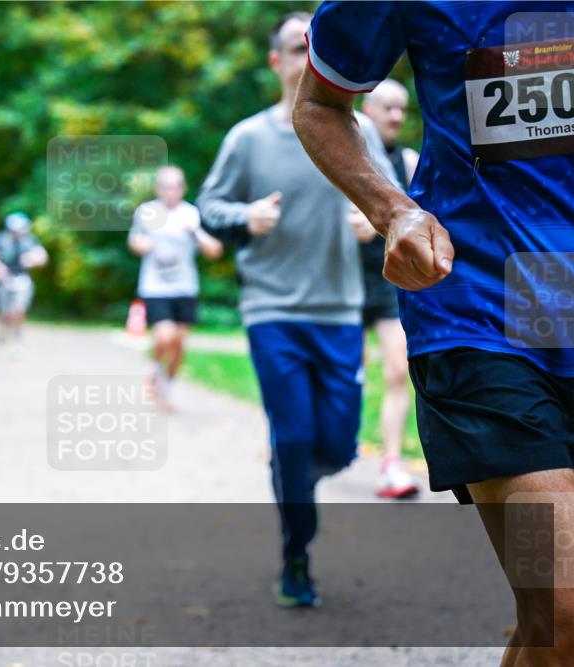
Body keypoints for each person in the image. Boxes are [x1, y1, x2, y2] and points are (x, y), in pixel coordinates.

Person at [294, 2, 573, 663]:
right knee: (561, 602)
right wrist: (394, 211)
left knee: (548, 627)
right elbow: (320, 105)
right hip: (481, 319)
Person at [197, 11, 396, 608]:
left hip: (339, 309)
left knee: (337, 445)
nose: (306, 54)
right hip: (272, 309)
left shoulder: (355, 133)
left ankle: (297, 484)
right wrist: (244, 217)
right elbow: (208, 207)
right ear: (276, 62)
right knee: (292, 435)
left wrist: (375, 220)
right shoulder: (248, 138)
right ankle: (297, 551)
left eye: (316, 46)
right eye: (294, 46)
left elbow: (394, 204)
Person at [359, 79, 420, 499]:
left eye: (402, 109)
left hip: (385, 281)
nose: (396, 116)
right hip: (339, 282)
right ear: (367, 108)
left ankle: (392, 462)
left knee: (399, 370)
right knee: (344, 375)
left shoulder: (410, 162)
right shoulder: (338, 155)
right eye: (388, 108)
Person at [128, 165, 222, 411]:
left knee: (179, 344)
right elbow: (134, 241)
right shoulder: (148, 212)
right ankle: (155, 369)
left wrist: (195, 232)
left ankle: (165, 389)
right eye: (166, 186)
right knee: (164, 336)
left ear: (183, 188)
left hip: (185, 286)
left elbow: (214, 251)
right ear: (158, 189)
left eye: (176, 186)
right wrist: (142, 244)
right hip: (155, 287)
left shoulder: (191, 214)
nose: (172, 191)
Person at [0, 212, 48, 345]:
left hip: (22, 279)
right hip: (4, 280)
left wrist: (34, 259)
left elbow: (42, 256)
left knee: (19, 310)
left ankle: (17, 337)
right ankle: (4, 330)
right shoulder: (1, 239)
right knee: (5, 313)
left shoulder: (30, 240)